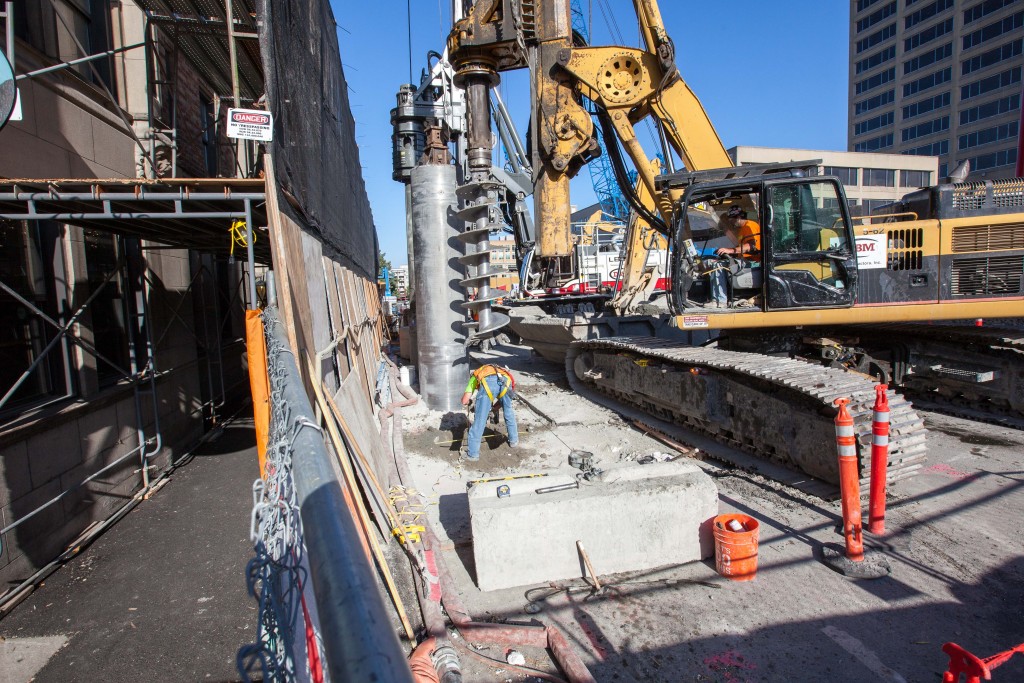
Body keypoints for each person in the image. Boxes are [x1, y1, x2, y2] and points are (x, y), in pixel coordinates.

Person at [460, 364, 519, 461]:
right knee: (508, 411)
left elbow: (464, 401)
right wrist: (494, 408)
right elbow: (504, 399)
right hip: (506, 382)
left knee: (480, 420)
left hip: (488, 386)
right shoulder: (501, 370)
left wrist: (470, 401)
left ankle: (472, 454)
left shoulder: (475, 376)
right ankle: (514, 441)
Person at [710, 205, 761, 306]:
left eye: (732, 220)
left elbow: (751, 246)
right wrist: (727, 255)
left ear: (738, 217)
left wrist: (730, 250)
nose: (732, 223)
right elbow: (740, 248)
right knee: (716, 263)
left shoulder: (750, 226)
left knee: (719, 266)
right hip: (745, 260)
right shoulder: (742, 229)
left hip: (754, 261)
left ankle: (720, 301)